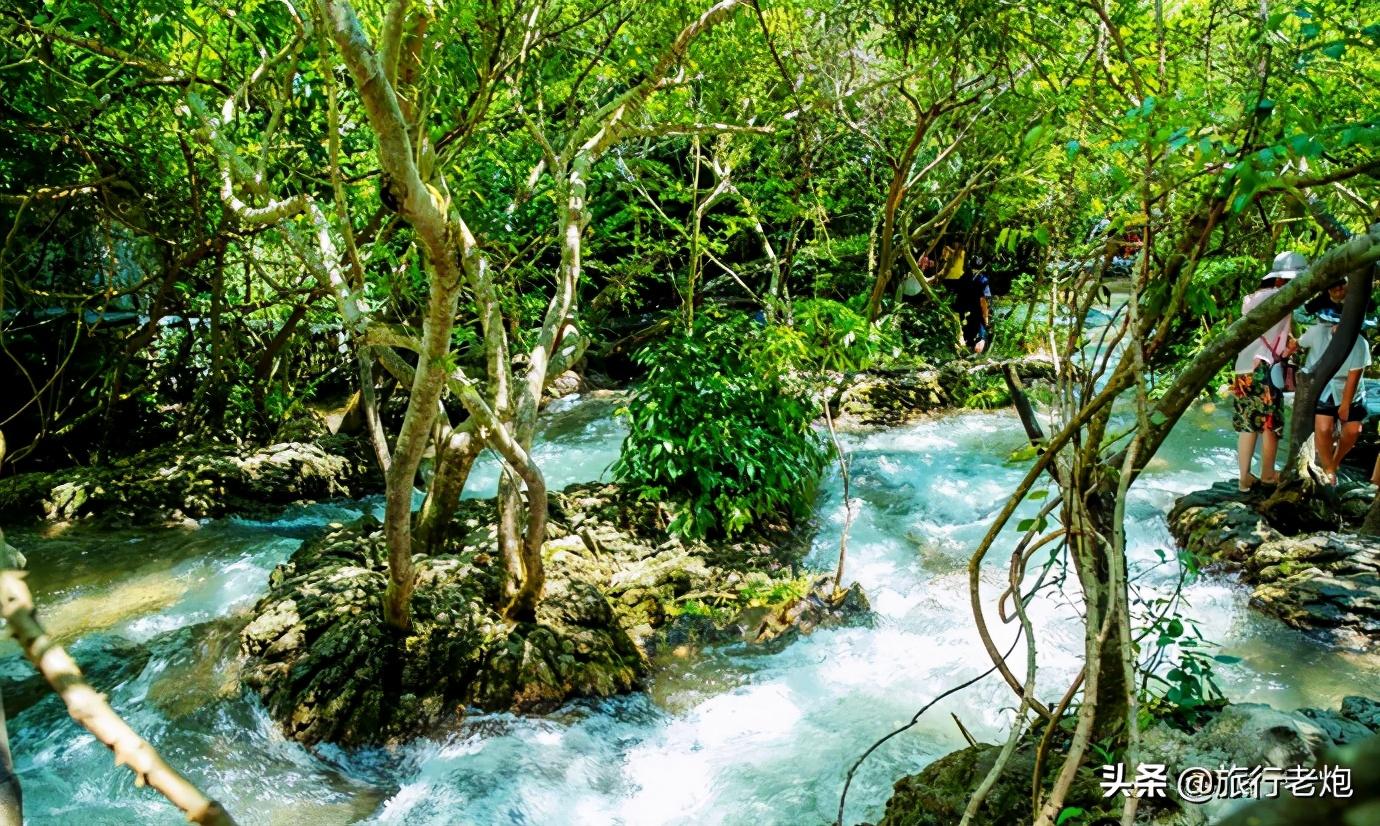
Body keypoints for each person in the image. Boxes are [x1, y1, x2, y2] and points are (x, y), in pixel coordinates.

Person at [1230, 251, 1304, 492]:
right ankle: (1268, 474)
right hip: (1265, 368)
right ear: (1281, 281)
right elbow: (1282, 346)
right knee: (1270, 423)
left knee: (1247, 423)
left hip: (1242, 369)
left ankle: (1244, 479)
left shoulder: (1250, 300)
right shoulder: (1284, 300)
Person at [1296, 280, 1372, 485]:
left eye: (1342, 286)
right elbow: (1299, 316)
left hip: (1349, 381)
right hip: (1324, 381)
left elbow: (1355, 374)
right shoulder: (1319, 325)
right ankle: (1329, 468)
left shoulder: (1359, 338)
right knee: (1323, 427)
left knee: (1353, 429)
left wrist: (1346, 404)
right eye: (1334, 287)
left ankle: (1333, 463)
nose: (1339, 290)